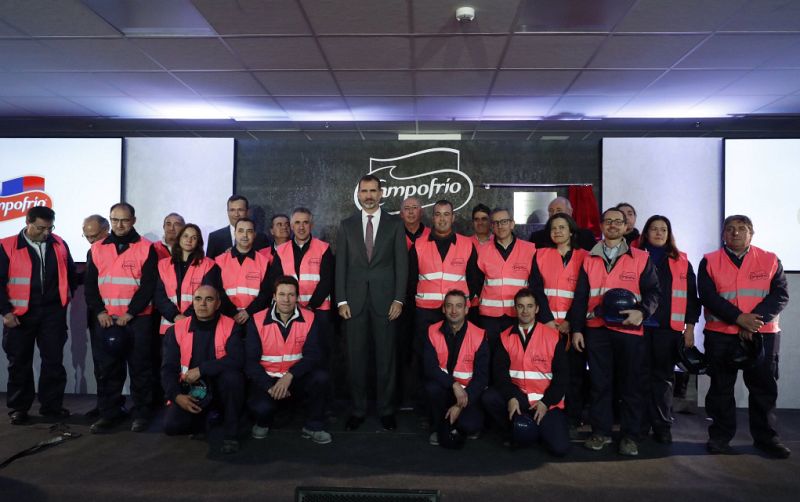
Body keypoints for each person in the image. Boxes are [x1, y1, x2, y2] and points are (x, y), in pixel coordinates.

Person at [698, 215, 790, 458]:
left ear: (752, 233)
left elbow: (780, 295)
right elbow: (708, 297)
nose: (735, 233)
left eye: (741, 229)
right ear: (723, 234)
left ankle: (767, 439)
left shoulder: (770, 260)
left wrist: (753, 321)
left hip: (763, 335)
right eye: (730, 229)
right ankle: (719, 438)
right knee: (720, 389)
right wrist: (739, 318)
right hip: (721, 335)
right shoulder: (709, 261)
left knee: (764, 389)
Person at [571, 207, 659, 456]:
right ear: (601, 225)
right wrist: (577, 329)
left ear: (626, 227)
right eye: (608, 221)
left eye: (617, 222)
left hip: (630, 330)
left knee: (631, 385)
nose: (612, 225)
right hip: (597, 330)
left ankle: (630, 436)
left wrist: (642, 312)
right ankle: (601, 433)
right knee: (600, 385)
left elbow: (654, 292)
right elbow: (580, 298)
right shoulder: (589, 258)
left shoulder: (641, 257)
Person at [335, 174, 408, 431]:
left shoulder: (395, 224)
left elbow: (402, 265)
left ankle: (386, 411)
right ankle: (358, 410)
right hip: (353, 303)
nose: (368, 195)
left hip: (386, 302)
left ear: (381, 193)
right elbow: (340, 265)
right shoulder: (346, 225)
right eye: (364, 191)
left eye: (373, 191)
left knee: (386, 359)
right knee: (355, 360)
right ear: (358, 194)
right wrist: (341, 300)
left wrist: (399, 299)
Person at [85, 202, 158, 433]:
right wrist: (100, 312)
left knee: (140, 369)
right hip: (106, 321)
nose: (119, 224)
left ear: (134, 220)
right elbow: (90, 287)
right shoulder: (96, 249)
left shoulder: (147, 248)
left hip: (137, 320)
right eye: (115, 220)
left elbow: (148, 287)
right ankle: (110, 413)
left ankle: (142, 414)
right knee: (108, 370)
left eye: (124, 220)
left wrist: (130, 313)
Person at [1, 206, 77, 425]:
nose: (46, 233)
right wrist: (5, 312)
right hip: (19, 313)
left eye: (50, 228)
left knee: (53, 361)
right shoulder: (7, 246)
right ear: (28, 222)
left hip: (53, 312)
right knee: (19, 362)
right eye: (41, 228)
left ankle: (51, 407)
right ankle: (18, 408)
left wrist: (67, 296)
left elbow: (71, 273)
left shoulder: (59, 243)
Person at [482, 288, 570, 456]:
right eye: (520, 306)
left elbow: (562, 377)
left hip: (545, 402)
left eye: (529, 306)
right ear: (515, 309)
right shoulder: (505, 337)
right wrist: (511, 397)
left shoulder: (552, 337)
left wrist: (546, 402)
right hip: (519, 398)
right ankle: (513, 430)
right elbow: (500, 374)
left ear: (537, 309)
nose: (525, 311)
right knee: (489, 397)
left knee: (560, 448)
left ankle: (531, 430)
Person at [245, 276, 332, 444]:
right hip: (267, 380)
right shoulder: (256, 320)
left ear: (297, 297)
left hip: (295, 378)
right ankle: (263, 421)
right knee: (262, 409)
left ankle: (313, 426)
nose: (286, 299)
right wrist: (270, 387)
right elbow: (250, 362)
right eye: (282, 294)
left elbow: (313, 355)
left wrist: (289, 376)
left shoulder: (310, 318)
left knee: (321, 378)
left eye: (291, 295)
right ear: (274, 297)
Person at [638, 215, 700, 444]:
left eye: (663, 229)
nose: (658, 233)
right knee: (639, 378)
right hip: (638, 328)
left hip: (668, 329)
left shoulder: (681, 261)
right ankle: (640, 425)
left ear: (669, 233)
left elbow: (692, 299)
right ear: (646, 233)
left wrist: (690, 328)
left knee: (663, 379)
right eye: (653, 229)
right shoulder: (633, 256)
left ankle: (662, 425)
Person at [161, 285, 244, 454]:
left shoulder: (231, 326)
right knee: (171, 426)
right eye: (198, 299)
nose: (202, 304)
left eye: (209, 299)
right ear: (193, 302)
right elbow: (168, 370)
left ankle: (231, 434)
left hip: (221, 389)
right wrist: (177, 397)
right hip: (192, 390)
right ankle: (202, 421)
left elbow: (237, 360)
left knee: (233, 378)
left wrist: (202, 369)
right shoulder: (176, 330)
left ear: (218, 304)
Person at [532, 212, 590, 436]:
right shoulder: (540, 255)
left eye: (562, 227)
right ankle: (546, 413)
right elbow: (537, 289)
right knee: (547, 373)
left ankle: (573, 417)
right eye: (553, 228)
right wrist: (547, 320)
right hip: (546, 327)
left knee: (574, 373)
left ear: (571, 231)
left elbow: (583, 294)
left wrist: (571, 323)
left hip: (571, 329)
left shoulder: (585, 257)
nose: (557, 231)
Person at [474, 207, 549, 345]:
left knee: (515, 357)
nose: (500, 226)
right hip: (489, 317)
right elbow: (477, 283)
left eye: (504, 221)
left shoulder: (529, 249)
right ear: (491, 226)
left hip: (519, 315)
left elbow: (536, 285)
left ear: (512, 224)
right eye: (496, 223)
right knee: (490, 357)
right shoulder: (481, 251)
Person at [423, 289, 488, 446]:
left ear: (466, 310)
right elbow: (430, 368)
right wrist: (453, 384)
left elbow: (482, 377)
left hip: (468, 394)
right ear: (443, 309)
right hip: (445, 390)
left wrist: (460, 405)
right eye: (449, 306)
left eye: (459, 306)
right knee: (431, 388)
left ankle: (456, 422)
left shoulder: (479, 334)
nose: (453, 311)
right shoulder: (432, 331)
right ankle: (438, 427)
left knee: (471, 426)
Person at [273, 207, 334, 357]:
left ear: (311, 226)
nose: (301, 227)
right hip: (289, 310)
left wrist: (311, 306)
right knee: (294, 353)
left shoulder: (323, 248)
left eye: (305, 222)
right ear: (291, 226)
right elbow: (276, 281)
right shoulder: (281, 250)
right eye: (297, 223)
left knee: (321, 352)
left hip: (319, 311)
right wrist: (293, 305)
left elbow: (327, 281)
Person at [154, 224, 222, 335]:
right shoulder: (163, 265)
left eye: (194, 237)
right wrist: (175, 316)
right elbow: (159, 296)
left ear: (198, 242)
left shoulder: (209, 265)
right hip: (169, 325)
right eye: (185, 236)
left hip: (197, 325)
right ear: (179, 238)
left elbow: (208, 295)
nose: (189, 240)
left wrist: (185, 318)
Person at [215, 218, 274, 325]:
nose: (245, 235)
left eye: (249, 231)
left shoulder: (264, 262)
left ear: (255, 234)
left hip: (254, 319)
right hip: (226, 318)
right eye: (241, 231)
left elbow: (266, 293)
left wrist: (248, 312)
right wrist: (233, 312)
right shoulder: (220, 260)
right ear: (235, 233)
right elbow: (217, 291)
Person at [206, 195, 269, 259]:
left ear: (247, 212)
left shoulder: (261, 238)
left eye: (240, 210)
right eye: (232, 210)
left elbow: (264, 262)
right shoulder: (215, 237)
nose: (236, 214)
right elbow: (210, 265)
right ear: (228, 212)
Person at [529, 197, 596, 251]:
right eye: (551, 211)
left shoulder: (586, 236)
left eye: (559, 210)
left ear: (570, 212)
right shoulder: (537, 237)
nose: (554, 214)